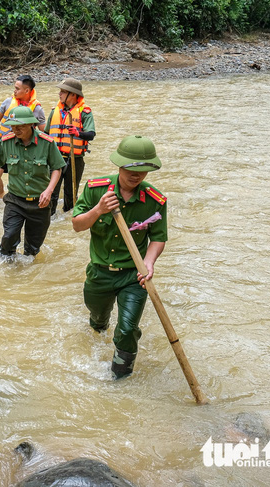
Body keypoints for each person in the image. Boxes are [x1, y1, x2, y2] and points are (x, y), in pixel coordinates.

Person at [71, 135, 167, 379]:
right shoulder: (96, 189)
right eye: (131, 169)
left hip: (133, 276)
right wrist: (99, 209)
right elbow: (77, 225)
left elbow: (158, 238)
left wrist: (149, 262)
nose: (136, 176)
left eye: (143, 171)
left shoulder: (155, 201)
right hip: (100, 273)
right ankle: (99, 326)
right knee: (98, 319)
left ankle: (119, 377)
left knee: (127, 329)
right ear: (120, 165)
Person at [0, 106, 65, 257]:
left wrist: (49, 190)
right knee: (8, 238)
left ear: (31, 125)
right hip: (15, 201)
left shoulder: (47, 143)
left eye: (20, 127)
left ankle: (26, 276)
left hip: (40, 203)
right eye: (13, 126)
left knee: (32, 250)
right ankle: (7, 271)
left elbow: (57, 168)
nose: (16, 130)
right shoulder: (6, 142)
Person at [0, 75, 46, 201]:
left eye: (17, 88)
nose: (14, 91)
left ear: (27, 91)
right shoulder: (8, 102)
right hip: (5, 145)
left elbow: (44, 131)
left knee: (24, 176)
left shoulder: (37, 109)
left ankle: (24, 197)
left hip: (24, 148)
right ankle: (2, 197)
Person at [45, 78, 96, 216]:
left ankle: (70, 217)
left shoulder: (84, 112)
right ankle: (50, 219)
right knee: (52, 191)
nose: (59, 94)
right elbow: (45, 133)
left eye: (63, 91)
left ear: (73, 95)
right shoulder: (54, 111)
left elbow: (91, 134)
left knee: (71, 193)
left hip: (75, 158)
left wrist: (78, 133)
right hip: (55, 158)